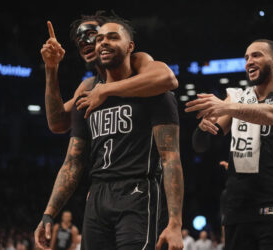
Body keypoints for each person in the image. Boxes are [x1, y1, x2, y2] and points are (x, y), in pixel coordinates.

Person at [35, 17, 184, 250]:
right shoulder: (87, 90)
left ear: (129, 44)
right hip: (98, 192)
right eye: (84, 38)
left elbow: (167, 79)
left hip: (138, 190)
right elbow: (59, 130)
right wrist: (51, 69)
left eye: (99, 35)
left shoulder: (142, 65)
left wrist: (175, 222)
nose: (92, 41)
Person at [185, 39, 273, 250]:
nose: (249, 61)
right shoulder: (239, 101)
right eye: (246, 57)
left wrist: (228, 106)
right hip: (237, 211)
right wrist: (203, 128)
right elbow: (201, 145)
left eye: (256, 55)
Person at [41, 11, 178, 134]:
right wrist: (51, 68)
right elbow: (57, 124)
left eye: (91, 34)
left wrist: (105, 89)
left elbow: (168, 78)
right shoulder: (88, 85)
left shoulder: (136, 61)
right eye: (79, 38)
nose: (83, 41)